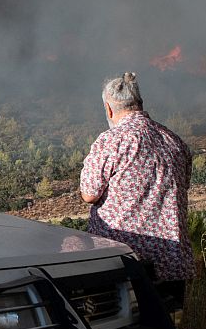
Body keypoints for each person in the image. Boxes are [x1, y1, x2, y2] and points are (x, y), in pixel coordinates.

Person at [78, 72, 195, 308]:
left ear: (109, 109)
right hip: (170, 261)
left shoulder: (111, 141)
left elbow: (89, 194)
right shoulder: (174, 140)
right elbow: (183, 186)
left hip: (122, 263)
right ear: (140, 104)